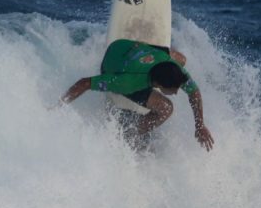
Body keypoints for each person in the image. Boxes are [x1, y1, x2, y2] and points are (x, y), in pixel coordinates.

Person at [60, 39, 214, 151]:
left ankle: (144, 47)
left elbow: (193, 92)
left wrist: (199, 125)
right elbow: (84, 83)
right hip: (113, 66)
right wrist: (60, 105)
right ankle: (130, 135)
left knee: (181, 59)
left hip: (125, 44)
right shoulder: (128, 82)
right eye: (173, 89)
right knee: (166, 108)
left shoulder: (170, 64)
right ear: (158, 85)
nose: (176, 92)